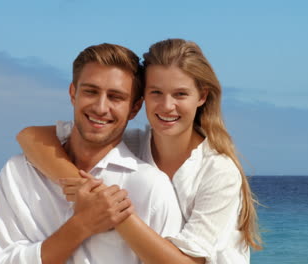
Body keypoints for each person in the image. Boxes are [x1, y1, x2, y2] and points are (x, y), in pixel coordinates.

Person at [17, 38, 262, 264]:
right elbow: (30, 137)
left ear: (202, 96)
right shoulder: (129, 146)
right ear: (141, 98)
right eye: (156, 92)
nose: (167, 106)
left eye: (180, 94)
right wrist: (81, 187)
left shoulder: (217, 171)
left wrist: (112, 211)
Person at [0, 43, 183, 264]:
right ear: (73, 93)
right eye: (91, 92)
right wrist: (83, 224)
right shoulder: (19, 173)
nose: (101, 107)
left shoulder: (151, 186)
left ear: (134, 108)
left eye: (115, 97)